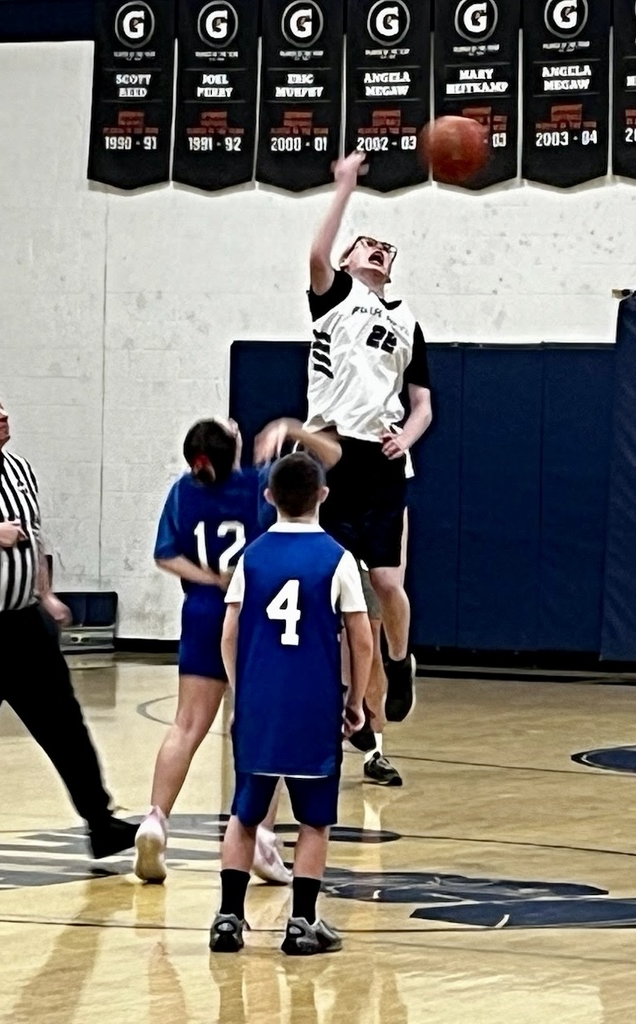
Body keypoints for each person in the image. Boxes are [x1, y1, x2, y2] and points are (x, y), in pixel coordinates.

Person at [257, 149, 432, 786]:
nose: (377, 249)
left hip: (383, 461)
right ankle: (360, 733)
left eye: (385, 247)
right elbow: (316, 254)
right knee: (338, 608)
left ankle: (403, 663)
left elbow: (424, 403)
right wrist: (344, 187)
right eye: (365, 245)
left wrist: (407, 435)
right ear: (348, 262)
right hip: (332, 454)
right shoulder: (335, 299)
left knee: (386, 586)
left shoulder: (407, 320)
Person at [0, 386, 136, 865]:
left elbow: (33, 539)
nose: (3, 415)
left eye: (1, 407)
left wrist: (45, 594)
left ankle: (101, 822)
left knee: (65, 725)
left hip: (25, 626)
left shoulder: (20, 472)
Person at [136, 418, 343, 885]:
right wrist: (289, 430)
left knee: (186, 725)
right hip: (254, 615)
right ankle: (263, 838)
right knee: (255, 730)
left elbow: (165, 555)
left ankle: (155, 819)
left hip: (202, 612)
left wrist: (208, 580)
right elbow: (330, 458)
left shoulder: (182, 491)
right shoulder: (258, 484)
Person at [209, 452, 373, 955]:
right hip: (313, 707)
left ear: (268, 498)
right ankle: (302, 922)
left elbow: (229, 633)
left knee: (244, 814)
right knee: (314, 820)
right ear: (323, 495)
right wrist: (357, 700)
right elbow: (362, 640)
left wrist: (242, 691)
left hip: (260, 708)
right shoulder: (338, 558)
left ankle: (228, 919)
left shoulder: (251, 557)